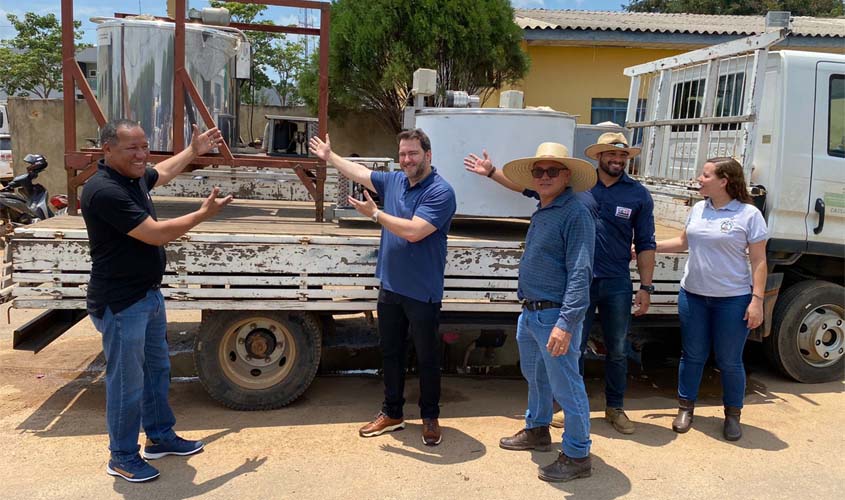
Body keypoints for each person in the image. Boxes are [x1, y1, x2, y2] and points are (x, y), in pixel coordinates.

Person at [465, 132, 656, 434]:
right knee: (572, 348)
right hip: (575, 283)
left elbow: (646, 242)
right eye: (611, 155)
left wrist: (646, 286)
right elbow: (529, 187)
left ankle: (614, 408)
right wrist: (491, 172)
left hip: (615, 280)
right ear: (599, 157)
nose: (618, 160)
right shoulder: (575, 191)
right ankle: (569, 409)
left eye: (623, 156)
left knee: (617, 348)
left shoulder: (637, 195)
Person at [82, 119, 232, 482]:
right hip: (121, 304)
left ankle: (160, 437)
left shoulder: (132, 178)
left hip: (147, 295)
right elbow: (154, 235)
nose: (141, 154)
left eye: (144, 146)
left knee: (157, 371)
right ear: (108, 150)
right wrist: (202, 214)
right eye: (132, 148)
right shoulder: (104, 191)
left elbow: (158, 172)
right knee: (126, 383)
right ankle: (121, 456)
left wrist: (192, 152)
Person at [309, 129, 456, 446]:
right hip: (391, 287)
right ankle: (392, 412)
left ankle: (430, 416)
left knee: (427, 357)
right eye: (402, 154)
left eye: (413, 153)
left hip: (423, 291)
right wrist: (330, 157)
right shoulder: (395, 181)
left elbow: (415, 231)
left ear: (428, 156)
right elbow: (360, 173)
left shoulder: (441, 192)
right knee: (391, 353)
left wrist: (376, 214)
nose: (407, 160)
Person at [469, 142, 596, 482]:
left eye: (552, 171)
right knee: (536, 378)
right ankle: (538, 428)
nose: (544, 177)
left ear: (567, 176)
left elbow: (581, 272)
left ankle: (578, 453)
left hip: (555, 316)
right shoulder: (546, 206)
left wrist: (566, 323)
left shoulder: (575, 212)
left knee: (567, 386)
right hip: (532, 312)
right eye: (538, 171)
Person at [655, 157, 767, 441]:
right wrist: (647, 247)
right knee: (692, 356)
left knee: (730, 360)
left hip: (732, 300)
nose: (699, 179)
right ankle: (685, 408)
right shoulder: (698, 209)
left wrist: (757, 300)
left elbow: (759, 261)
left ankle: (732, 415)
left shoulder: (748, 214)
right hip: (693, 296)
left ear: (724, 180)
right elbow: (683, 243)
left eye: (705, 175)